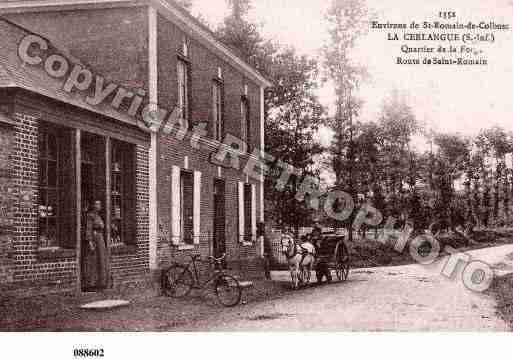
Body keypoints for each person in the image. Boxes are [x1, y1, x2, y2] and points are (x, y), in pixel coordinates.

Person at [83, 200, 108, 291]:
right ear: (93, 206)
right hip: (95, 239)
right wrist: (90, 242)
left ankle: (100, 283)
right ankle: (91, 284)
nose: (99, 206)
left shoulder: (98, 216)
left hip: (100, 239)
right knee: (93, 261)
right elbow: (88, 229)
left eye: (100, 204)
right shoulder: (90, 216)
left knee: (101, 260)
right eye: (97, 204)